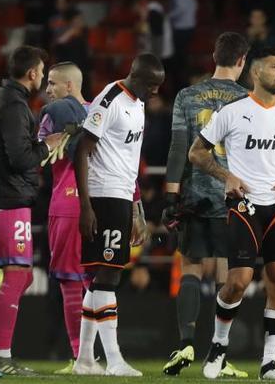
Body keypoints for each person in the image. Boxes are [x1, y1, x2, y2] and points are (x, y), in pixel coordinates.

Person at [189, 46, 275, 381]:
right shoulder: (232, 112)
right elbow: (197, 153)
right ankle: (218, 347)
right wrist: (227, 176)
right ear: (254, 72)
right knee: (239, 281)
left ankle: (269, 364)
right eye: (274, 66)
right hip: (243, 204)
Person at [161, 33, 250, 378]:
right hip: (233, 197)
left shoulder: (188, 95)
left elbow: (178, 147)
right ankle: (219, 355)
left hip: (194, 194)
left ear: (214, 55)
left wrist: (171, 195)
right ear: (242, 61)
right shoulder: (248, 99)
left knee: (192, 269)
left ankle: (185, 342)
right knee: (228, 273)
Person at [72, 54, 165, 377]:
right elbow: (81, 149)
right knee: (109, 276)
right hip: (103, 195)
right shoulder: (110, 99)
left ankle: (85, 358)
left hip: (122, 196)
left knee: (103, 277)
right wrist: (85, 205)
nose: (155, 91)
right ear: (135, 76)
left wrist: (137, 210)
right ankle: (113, 359)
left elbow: (128, 162)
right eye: (152, 84)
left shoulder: (137, 105)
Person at [0, 46, 63, 375]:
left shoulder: (2, 99)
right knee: (18, 275)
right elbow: (21, 158)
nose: (42, 78)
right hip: (10, 200)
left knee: (20, 278)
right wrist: (47, 145)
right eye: (41, 72)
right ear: (32, 73)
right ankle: (2, 356)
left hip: (6, 198)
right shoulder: (13, 106)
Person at [36, 62, 91, 374]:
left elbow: (38, 158)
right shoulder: (104, 110)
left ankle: (79, 357)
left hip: (68, 204)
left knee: (72, 284)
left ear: (69, 86)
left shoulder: (51, 114)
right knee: (98, 283)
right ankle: (97, 356)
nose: (48, 90)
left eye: (53, 84)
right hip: (103, 201)